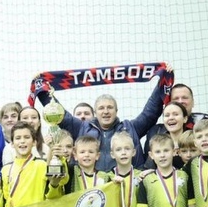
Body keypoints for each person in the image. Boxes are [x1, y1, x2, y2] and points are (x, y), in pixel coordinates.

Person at [36, 65, 172, 170]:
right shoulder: (81, 127)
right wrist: (41, 88)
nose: (105, 111)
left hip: (127, 186)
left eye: (110, 107)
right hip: (92, 188)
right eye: (101, 108)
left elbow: (150, 112)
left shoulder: (131, 127)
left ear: (116, 111)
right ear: (95, 112)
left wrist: (164, 80)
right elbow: (58, 113)